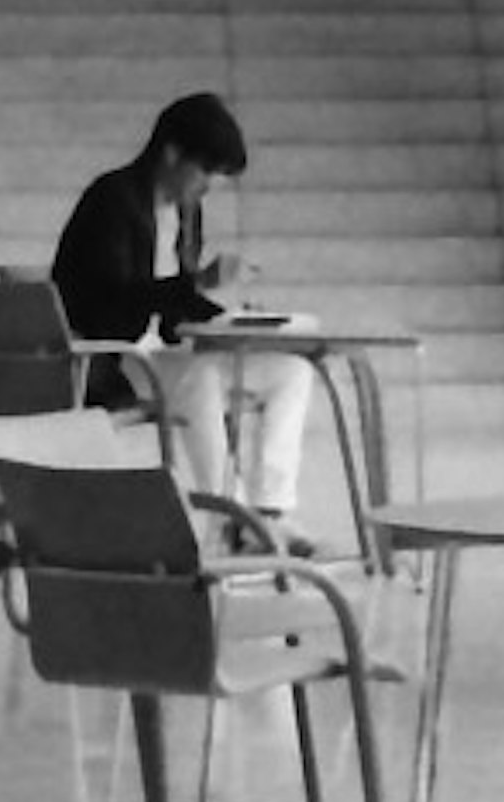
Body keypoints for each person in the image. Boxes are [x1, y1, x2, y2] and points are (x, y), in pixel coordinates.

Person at [48, 88, 319, 540]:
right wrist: (198, 284)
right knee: (199, 379)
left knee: (291, 371)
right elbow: (111, 298)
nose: (208, 185)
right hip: (110, 354)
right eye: (206, 171)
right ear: (172, 153)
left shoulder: (187, 213)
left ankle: (270, 511)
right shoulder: (112, 201)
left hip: (166, 351)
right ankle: (232, 518)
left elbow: (176, 299)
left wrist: (230, 319)